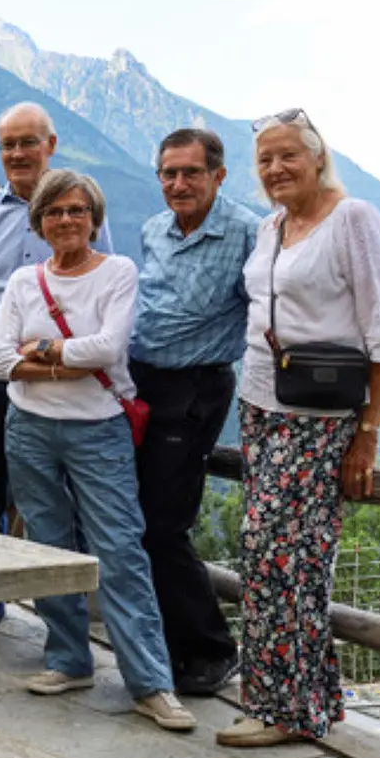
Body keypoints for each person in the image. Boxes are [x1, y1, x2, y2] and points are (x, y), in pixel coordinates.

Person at [218, 109, 380, 748]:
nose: (275, 169)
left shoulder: (354, 219)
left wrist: (369, 431)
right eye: (265, 160)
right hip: (262, 405)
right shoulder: (274, 226)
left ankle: (284, 711)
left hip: (319, 419)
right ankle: (297, 702)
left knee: (286, 561)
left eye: (287, 157)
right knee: (271, 558)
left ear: (317, 157)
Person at [0, 169, 196, 732]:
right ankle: (68, 660)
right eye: (54, 212)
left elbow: (108, 349)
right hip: (28, 426)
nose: (65, 221)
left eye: (77, 211)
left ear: (94, 219)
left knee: (120, 549)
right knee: (49, 545)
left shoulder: (118, 272)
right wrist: (64, 362)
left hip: (98, 429)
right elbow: (0, 362)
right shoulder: (23, 282)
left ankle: (151, 682)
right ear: (38, 222)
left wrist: (44, 352)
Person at [0, 102, 113, 658]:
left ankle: (71, 633)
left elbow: (103, 287)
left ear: (51, 144)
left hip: (61, 364)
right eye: (7, 144)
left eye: (27, 142)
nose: (16, 153)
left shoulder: (81, 210)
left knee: (56, 498)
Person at [129, 127, 257, 696]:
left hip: (197, 386)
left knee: (163, 524)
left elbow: (270, 310)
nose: (179, 184)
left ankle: (211, 649)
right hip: (140, 382)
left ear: (218, 176)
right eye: (169, 173)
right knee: (131, 518)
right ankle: (167, 644)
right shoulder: (153, 229)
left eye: (191, 172)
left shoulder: (250, 231)